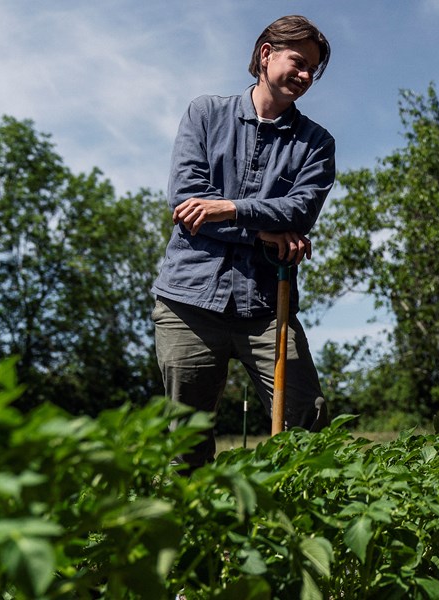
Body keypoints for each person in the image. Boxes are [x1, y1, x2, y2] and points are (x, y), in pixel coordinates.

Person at [151, 15, 335, 469]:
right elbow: (186, 201)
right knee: (186, 440)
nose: (306, 75)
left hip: (265, 305)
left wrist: (229, 209)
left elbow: (300, 212)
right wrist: (264, 230)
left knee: (307, 419)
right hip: (188, 301)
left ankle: (291, 525)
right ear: (266, 54)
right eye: (299, 62)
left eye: (313, 69)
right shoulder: (205, 113)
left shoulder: (316, 144)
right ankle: (193, 534)